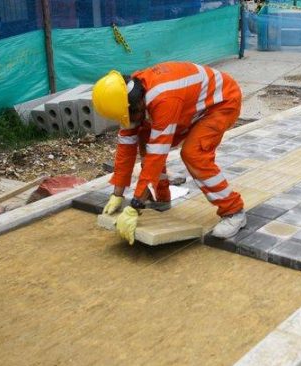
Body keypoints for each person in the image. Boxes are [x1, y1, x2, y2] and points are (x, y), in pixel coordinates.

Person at [91, 62, 246, 244]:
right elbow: (126, 149)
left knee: (193, 154)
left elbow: (157, 157)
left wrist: (135, 206)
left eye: (129, 117)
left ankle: (234, 211)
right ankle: (161, 199)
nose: (128, 122)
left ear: (139, 105)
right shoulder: (130, 93)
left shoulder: (163, 99)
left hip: (221, 102)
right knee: (145, 136)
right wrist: (117, 194)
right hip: (190, 102)